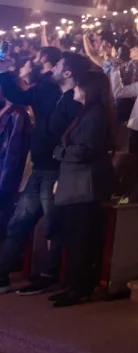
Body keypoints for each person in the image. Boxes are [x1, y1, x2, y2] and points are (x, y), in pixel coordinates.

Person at [0, 51, 85, 296]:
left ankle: (49, 275)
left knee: (52, 226)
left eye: (57, 65)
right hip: (40, 168)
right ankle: (2, 275)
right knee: (19, 223)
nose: (51, 68)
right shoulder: (46, 89)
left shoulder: (77, 99)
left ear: (67, 73)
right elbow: (17, 95)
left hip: (58, 170)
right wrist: (5, 72)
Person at [50, 70, 115, 308]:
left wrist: (61, 152)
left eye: (78, 85)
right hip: (77, 182)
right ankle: (73, 286)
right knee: (74, 237)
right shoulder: (87, 112)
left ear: (88, 88)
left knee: (81, 239)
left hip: (85, 184)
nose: (74, 89)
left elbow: (88, 148)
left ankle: (80, 288)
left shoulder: (96, 113)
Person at [0, 73, 32, 237]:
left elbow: (13, 151)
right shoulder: (5, 108)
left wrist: (5, 181)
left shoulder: (18, 114)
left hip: (5, 176)